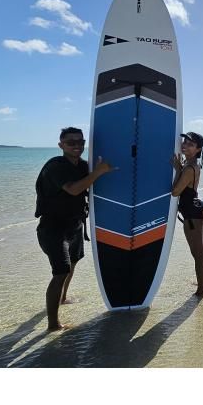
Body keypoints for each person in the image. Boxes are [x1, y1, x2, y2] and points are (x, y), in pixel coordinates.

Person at [35, 127, 115, 330]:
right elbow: (74, 189)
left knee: (72, 264)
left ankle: (62, 298)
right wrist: (97, 172)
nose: (77, 145)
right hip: (53, 227)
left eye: (80, 142)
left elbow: (92, 184)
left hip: (75, 224)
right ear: (61, 145)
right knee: (60, 271)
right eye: (71, 142)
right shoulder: (55, 166)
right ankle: (53, 324)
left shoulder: (82, 166)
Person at [170, 131, 203, 297]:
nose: (185, 145)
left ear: (198, 149)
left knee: (197, 253)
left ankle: (201, 290)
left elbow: (175, 192)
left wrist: (177, 169)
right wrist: (180, 168)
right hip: (197, 211)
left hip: (192, 215)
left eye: (190, 144)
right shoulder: (193, 165)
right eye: (185, 142)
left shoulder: (189, 168)